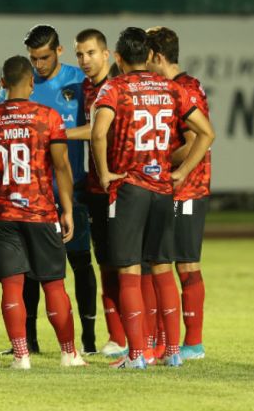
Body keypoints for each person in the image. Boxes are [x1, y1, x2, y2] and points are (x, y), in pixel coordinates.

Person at [91, 27, 215, 369]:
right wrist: (181, 171)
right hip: (163, 188)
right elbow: (206, 133)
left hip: (131, 187)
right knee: (163, 268)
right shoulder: (172, 88)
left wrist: (103, 173)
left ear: (117, 58)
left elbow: (99, 133)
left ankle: (137, 354)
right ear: (149, 56)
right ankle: (172, 351)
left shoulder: (114, 87)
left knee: (130, 270)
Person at [0, 55, 86, 369]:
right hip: (41, 212)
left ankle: (21, 356)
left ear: (2, 83)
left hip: (4, 213)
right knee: (53, 284)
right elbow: (62, 165)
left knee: (12, 285)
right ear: (30, 83)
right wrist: (66, 208)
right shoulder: (48, 117)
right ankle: (69, 353)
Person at [0, 25, 97, 355]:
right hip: (28, 196)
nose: (38, 65)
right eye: (33, 59)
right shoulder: (19, 84)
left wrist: (59, 136)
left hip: (72, 188)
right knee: (26, 273)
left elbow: (99, 125)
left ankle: (89, 340)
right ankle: (29, 341)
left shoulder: (77, 81)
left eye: (44, 58)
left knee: (80, 262)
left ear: (59, 52)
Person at [147, 26, 211, 361]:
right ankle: (165, 340)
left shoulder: (183, 89)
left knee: (185, 264)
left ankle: (194, 344)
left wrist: (176, 169)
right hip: (171, 188)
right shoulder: (177, 86)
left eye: (147, 56)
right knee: (161, 263)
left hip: (187, 189)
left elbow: (195, 140)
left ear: (156, 56)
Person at [65, 28, 128, 359]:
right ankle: (118, 335)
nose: (84, 60)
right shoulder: (84, 88)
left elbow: (101, 130)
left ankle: (141, 334)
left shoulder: (116, 87)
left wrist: (59, 135)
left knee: (126, 263)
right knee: (105, 262)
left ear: (107, 55)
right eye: (79, 54)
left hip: (119, 184)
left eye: (90, 53)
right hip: (95, 187)